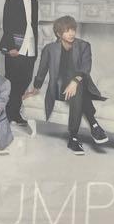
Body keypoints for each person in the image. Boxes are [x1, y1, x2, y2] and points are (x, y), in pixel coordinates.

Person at [24, 15, 109, 153]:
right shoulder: (49, 49)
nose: (71, 33)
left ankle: (73, 137)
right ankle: (94, 125)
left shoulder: (84, 46)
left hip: (80, 87)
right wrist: (35, 88)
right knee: (78, 90)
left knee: (79, 89)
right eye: (67, 30)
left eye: (73, 29)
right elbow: (42, 70)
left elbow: (85, 68)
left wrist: (74, 82)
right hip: (59, 90)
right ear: (58, 33)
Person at [0, 0, 39, 128]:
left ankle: (15, 113)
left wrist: (35, 49)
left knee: (25, 79)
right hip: (15, 46)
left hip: (30, 47)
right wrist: (10, 46)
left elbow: (33, 26)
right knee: (12, 81)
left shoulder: (35, 2)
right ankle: (6, 114)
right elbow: (6, 24)